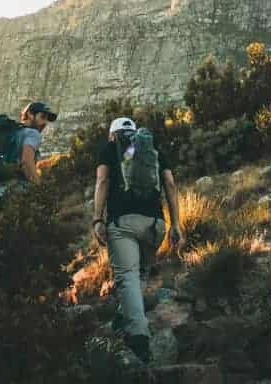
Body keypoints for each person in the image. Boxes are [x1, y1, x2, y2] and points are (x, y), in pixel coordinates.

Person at [92, 117, 184, 364]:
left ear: (113, 134)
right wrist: (175, 224)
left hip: (123, 224)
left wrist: (96, 219)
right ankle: (125, 315)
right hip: (155, 224)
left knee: (127, 277)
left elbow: (102, 181)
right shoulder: (152, 149)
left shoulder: (110, 148)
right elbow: (170, 185)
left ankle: (139, 338)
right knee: (141, 272)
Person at [0, 101, 57, 200]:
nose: (45, 122)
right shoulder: (33, 133)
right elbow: (27, 161)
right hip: (16, 190)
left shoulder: (14, 132)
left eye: (47, 119)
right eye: (42, 117)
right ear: (30, 114)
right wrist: (39, 187)